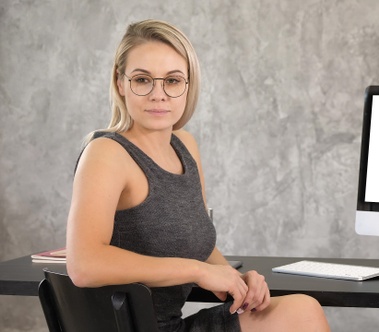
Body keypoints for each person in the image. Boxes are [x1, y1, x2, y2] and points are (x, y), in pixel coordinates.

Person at [66, 19, 330, 332]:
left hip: (170, 325)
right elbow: (84, 265)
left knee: (301, 310)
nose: (158, 94)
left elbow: (197, 243)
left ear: (188, 86)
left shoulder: (185, 146)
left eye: (173, 81)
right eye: (142, 79)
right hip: (134, 327)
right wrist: (197, 272)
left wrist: (234, 278)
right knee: (303, 313)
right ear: (121, 83)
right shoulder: (107, 153)